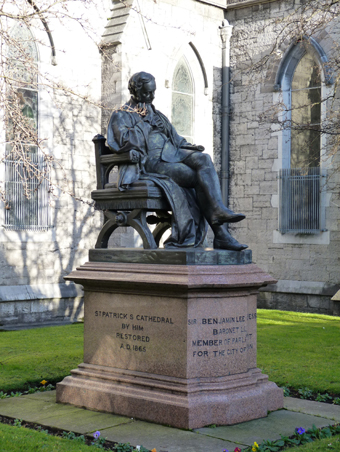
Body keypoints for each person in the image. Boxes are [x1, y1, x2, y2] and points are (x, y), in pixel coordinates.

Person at [107, 71, 247, 251]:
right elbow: (122, 141)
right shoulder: (122, 114)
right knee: (193, 177)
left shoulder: (156, 114)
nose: (151, 97)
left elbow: (175, 138)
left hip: (172, 154)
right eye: (147, 93)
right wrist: (144, 123)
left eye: (153, 92)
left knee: (203, 158)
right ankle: (221, 235)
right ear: (134, 91)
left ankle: (219, 209)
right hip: (150, 164)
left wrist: (190, 147)